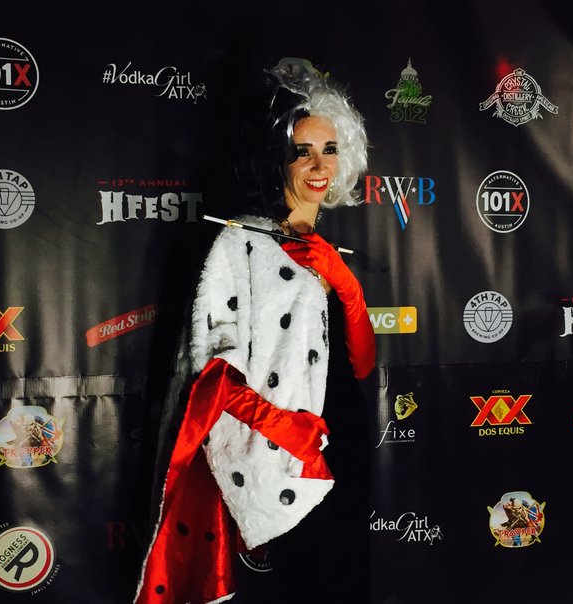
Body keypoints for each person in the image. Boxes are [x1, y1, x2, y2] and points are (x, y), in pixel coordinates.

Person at [134, 57, 375, 604]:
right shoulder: (239, 245)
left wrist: (345, 283)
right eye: (302, 151)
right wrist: (286, 429)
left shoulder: (332, 253)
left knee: (342, 583)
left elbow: (361, 366)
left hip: (341, 437)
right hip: (275, 454)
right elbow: (212, 373)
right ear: (277, 158)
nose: (319, 165)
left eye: (330, 149)